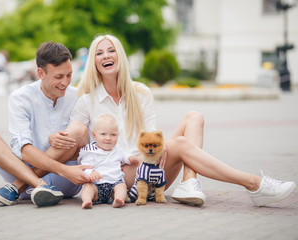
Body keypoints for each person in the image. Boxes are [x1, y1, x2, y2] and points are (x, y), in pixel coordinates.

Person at [70, 34, 296, 207]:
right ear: (94, 61)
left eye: (111, 51)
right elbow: (74, 134)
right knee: (178, 144)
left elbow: (152, 139)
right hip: (118, 176)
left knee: (194, 117)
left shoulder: (141, 93)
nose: (106, 56)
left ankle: (189, 182)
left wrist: (153, 155)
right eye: (100, 53)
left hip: (150, 168)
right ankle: (254, 184)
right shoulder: (86, 100)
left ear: (120, 56)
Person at [0, 42, 92, 207]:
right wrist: (64, 169)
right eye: (58, 77)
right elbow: (24, 151)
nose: (65, 82)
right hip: (48, 171)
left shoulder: (77, 96)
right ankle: (40, 186)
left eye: (69, 75)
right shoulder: (20, 97)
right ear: (40, 73)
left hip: (63, 181)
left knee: (79, 130)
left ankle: (16, 187)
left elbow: (85, 139)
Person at [78, 114, 139, 209]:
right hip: (96, 184)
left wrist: (129, 158)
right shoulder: (91, 151)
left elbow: (123, 156)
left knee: (122, 187)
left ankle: (118, 199)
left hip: (114, 183)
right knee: (88, 188)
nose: (108, 138)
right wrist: (91, 172)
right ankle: (87, 200)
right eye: (103, 134)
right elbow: (84, 167)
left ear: (118, 135)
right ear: (94, 135)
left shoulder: (117, 149)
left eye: (113, 135)